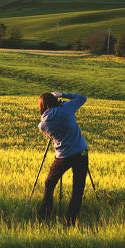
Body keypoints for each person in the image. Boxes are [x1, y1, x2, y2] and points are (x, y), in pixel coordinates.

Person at [37, 92, 88, 225]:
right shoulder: (67, 107)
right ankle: (70, 221)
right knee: (78, 188)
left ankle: (45, 214)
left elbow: (51, 136)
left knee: (49, 183)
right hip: (80, 152)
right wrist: (62, 95)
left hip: (63, 156)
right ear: (55, 100)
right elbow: (82, 98)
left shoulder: (42, 125)